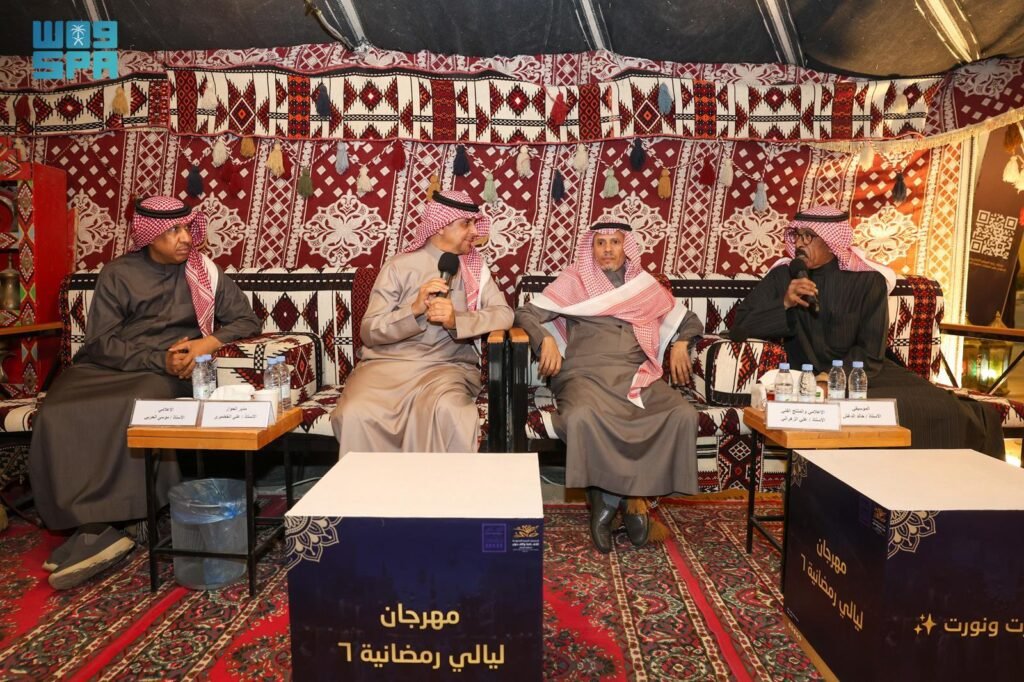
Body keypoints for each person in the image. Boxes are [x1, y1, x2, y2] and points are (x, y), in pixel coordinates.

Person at [29, 196, 261, 589]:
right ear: (149, 236)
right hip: (110, 365)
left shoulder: (204, 272)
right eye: (173, 231)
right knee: (57, 409)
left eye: (187, 228)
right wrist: (156, 358)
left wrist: (205, 344)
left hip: (168, 371)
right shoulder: (118, 274)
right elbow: (101, 342)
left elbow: (246, 320)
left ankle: (116, 522)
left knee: (135, 403)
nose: (185, 238)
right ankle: (88, 525)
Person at [730, 205, 1004, 458]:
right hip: (805, 374)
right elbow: (740, 326)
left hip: (865, 372)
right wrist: (785, 304)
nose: (800, 243)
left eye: (808, 236)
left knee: (946, 409)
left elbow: (871, 349)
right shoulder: (783, 277)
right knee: (849, 411)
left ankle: (946, 481)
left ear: (832, 242)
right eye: (797, 235)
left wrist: (831, 381)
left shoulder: (867, 280)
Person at [514, 222, 703, 552]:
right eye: (600, 243)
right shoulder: (575, 280)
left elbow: (689, 320)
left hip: (636, 373)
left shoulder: (643, 286)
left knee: (682, 413)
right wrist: (544, 339)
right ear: (591, 247)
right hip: (584, 374)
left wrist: (682, 343)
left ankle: (611, 499)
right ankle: (628, 501)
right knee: (581, 416)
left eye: (614, 242)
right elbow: (525, 313)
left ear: (626, 247)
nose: (607, 250)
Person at [330, 190, 513, 454]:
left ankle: (438, 483)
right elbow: (369, 331)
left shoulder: (474, 268)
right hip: (386, 367)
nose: (475, 231)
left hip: (446, 368)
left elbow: (504, 314)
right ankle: (375, 483)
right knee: (355, 412)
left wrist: (456, 320)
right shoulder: (398, 266)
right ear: (440, 226)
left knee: (451, 413)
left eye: (475, 223)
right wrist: (413, 310)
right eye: (466, 224)